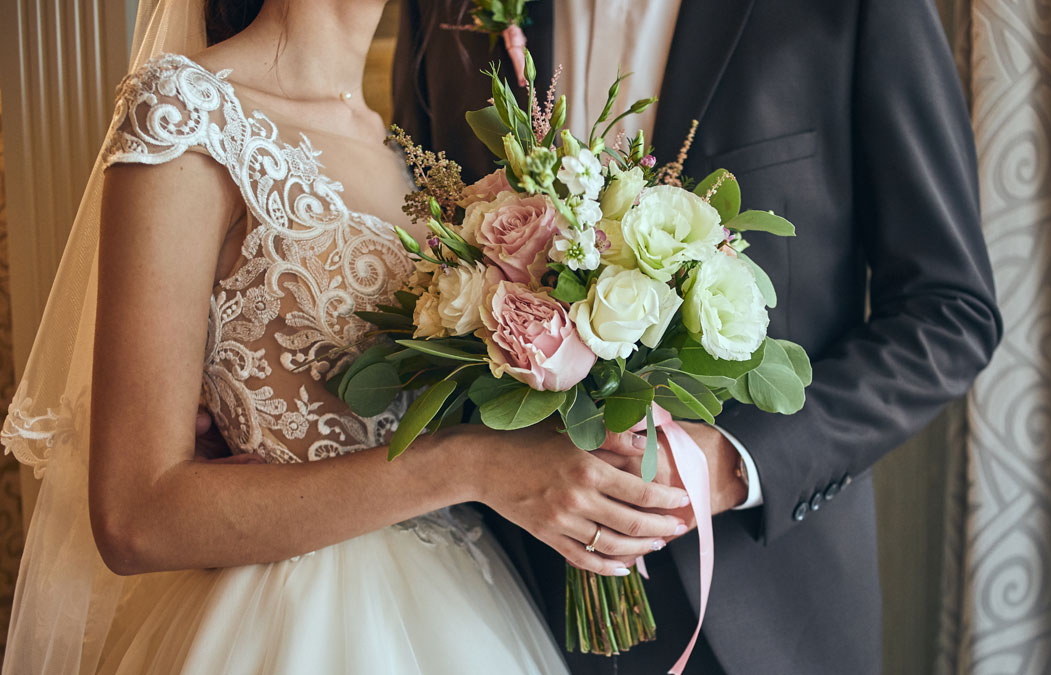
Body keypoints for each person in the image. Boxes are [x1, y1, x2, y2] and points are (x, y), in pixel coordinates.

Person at [1, 0, 697, 672]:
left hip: (456, 606)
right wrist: (473, 465)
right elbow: (134, 518)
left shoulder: (402, 155)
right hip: (286, 623)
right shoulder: (187, 109)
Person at [393, 0, 1003, 672]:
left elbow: (948, 312)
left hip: (768, 605)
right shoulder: (446, 12)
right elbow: (421, 268)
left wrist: (734, 463)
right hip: (507, 604)